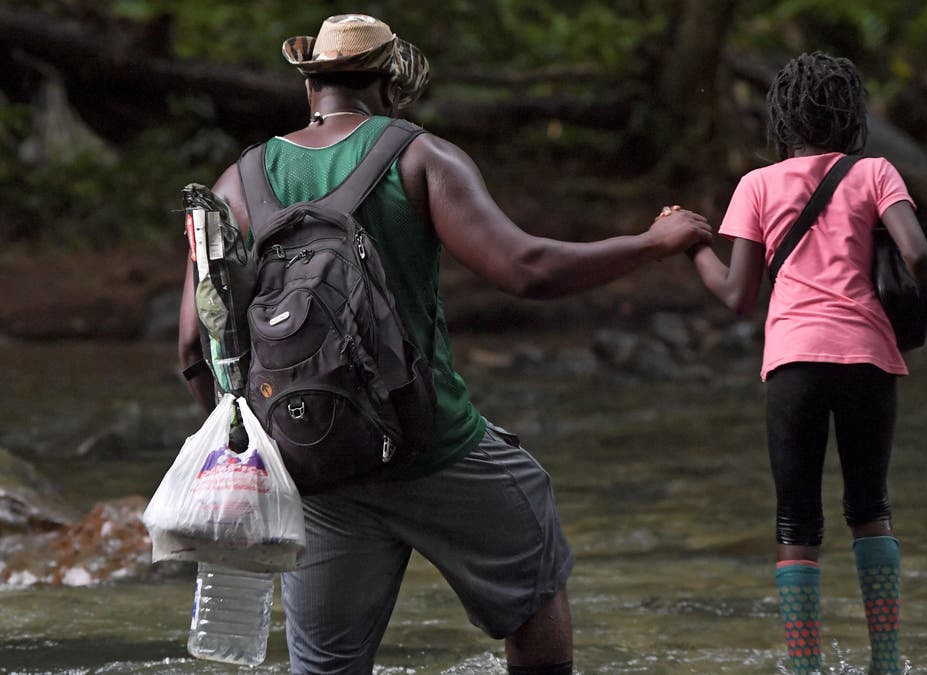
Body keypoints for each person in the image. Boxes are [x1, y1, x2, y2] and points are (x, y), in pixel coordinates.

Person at [175, 14, 712, 675]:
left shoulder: (239, 182)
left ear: (311, 88)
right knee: (532, 572)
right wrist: (653, 244)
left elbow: (191, 349)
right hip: (436, 448)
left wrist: (263, 458)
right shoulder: (421, 157)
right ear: (390, 87)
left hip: (311, 463)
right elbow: (528, 269)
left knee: (325, 664)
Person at [687, 52, 927, 675]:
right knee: (870, 506)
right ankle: (887, 662)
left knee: (796, 517)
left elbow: (737, 295)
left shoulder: (757, 185)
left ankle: (804, 668)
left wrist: (692, 246)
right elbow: (919, 255)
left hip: (794, 364)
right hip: (869, 358)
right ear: (853, 114)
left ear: (781, 118)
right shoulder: (876, 172)